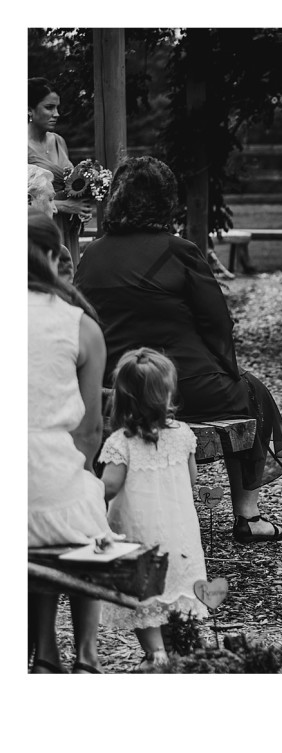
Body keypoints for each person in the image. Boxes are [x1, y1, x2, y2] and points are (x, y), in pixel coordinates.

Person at [75, 157, 282, 544]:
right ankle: (248, 516)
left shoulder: (92, 254)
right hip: (182, 385)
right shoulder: (181, 251)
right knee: (253, 391)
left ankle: (101, 508)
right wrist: (227, 370)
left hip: (113, 386)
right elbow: (217, 323)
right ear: (166, 201)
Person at [28, 209, 115, 673]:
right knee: (85, 514)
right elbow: (88, 432)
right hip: (53, 475)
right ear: (51, 256)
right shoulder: (81, 326)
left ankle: (43, 653)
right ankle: (87, 655)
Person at [99, 348, 209, 668]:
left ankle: (156, 653)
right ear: (168, 394)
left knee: (143, 595)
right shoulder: (184, 435)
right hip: (179, 531)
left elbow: (109, 486)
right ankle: (181, 649)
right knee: (175, 586)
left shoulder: (121, 442)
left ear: (122, 398)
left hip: (138, 534)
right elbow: (191, 479)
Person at [28, 77, 93, 274]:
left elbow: (70, 183)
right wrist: (66, 206)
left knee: (70, 277)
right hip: (41, 226)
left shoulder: (58, 141)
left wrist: (81, 208)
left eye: (57, 108)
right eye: (49, 107)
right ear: (29, 109)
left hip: (68, 227)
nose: (56, 114)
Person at [29, 163, 74, 281]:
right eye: (51, 199)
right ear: (28, 200)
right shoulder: (56, 253)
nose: (55, 209)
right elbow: (66, 297)